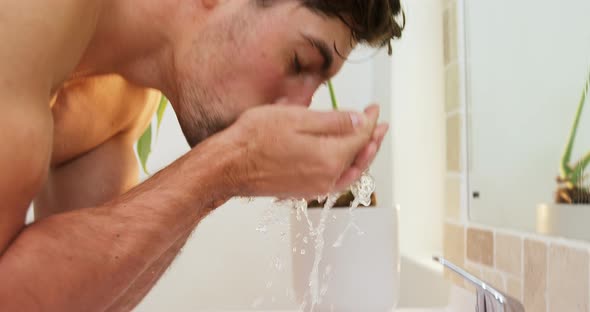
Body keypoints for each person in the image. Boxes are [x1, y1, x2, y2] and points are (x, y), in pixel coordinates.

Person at [0, 0, 404, 310]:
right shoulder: (31, 14)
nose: (297, 107)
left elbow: (86, 299)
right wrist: (228, 164)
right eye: (299, 62)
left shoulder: (119, 107)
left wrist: (232, 172)